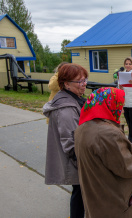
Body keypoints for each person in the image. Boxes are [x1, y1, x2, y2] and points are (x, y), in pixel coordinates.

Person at [74, 87, 132, 218]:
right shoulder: (108, 134)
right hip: (113, 203)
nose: (122, 109)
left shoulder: (83, 126)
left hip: (95, 199)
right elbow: (130, 168)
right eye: (120, 104)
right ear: (109, 104)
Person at [43, 63, 88, 218]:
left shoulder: (72, 99)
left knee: (80, 194)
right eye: (80, 82)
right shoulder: (66, 108)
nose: (84, 85)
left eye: (85, 80)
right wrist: (86, 164)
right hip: (78, 162)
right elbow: (71, 144)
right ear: (66, 84)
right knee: (80, 195)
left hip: (79, 160)